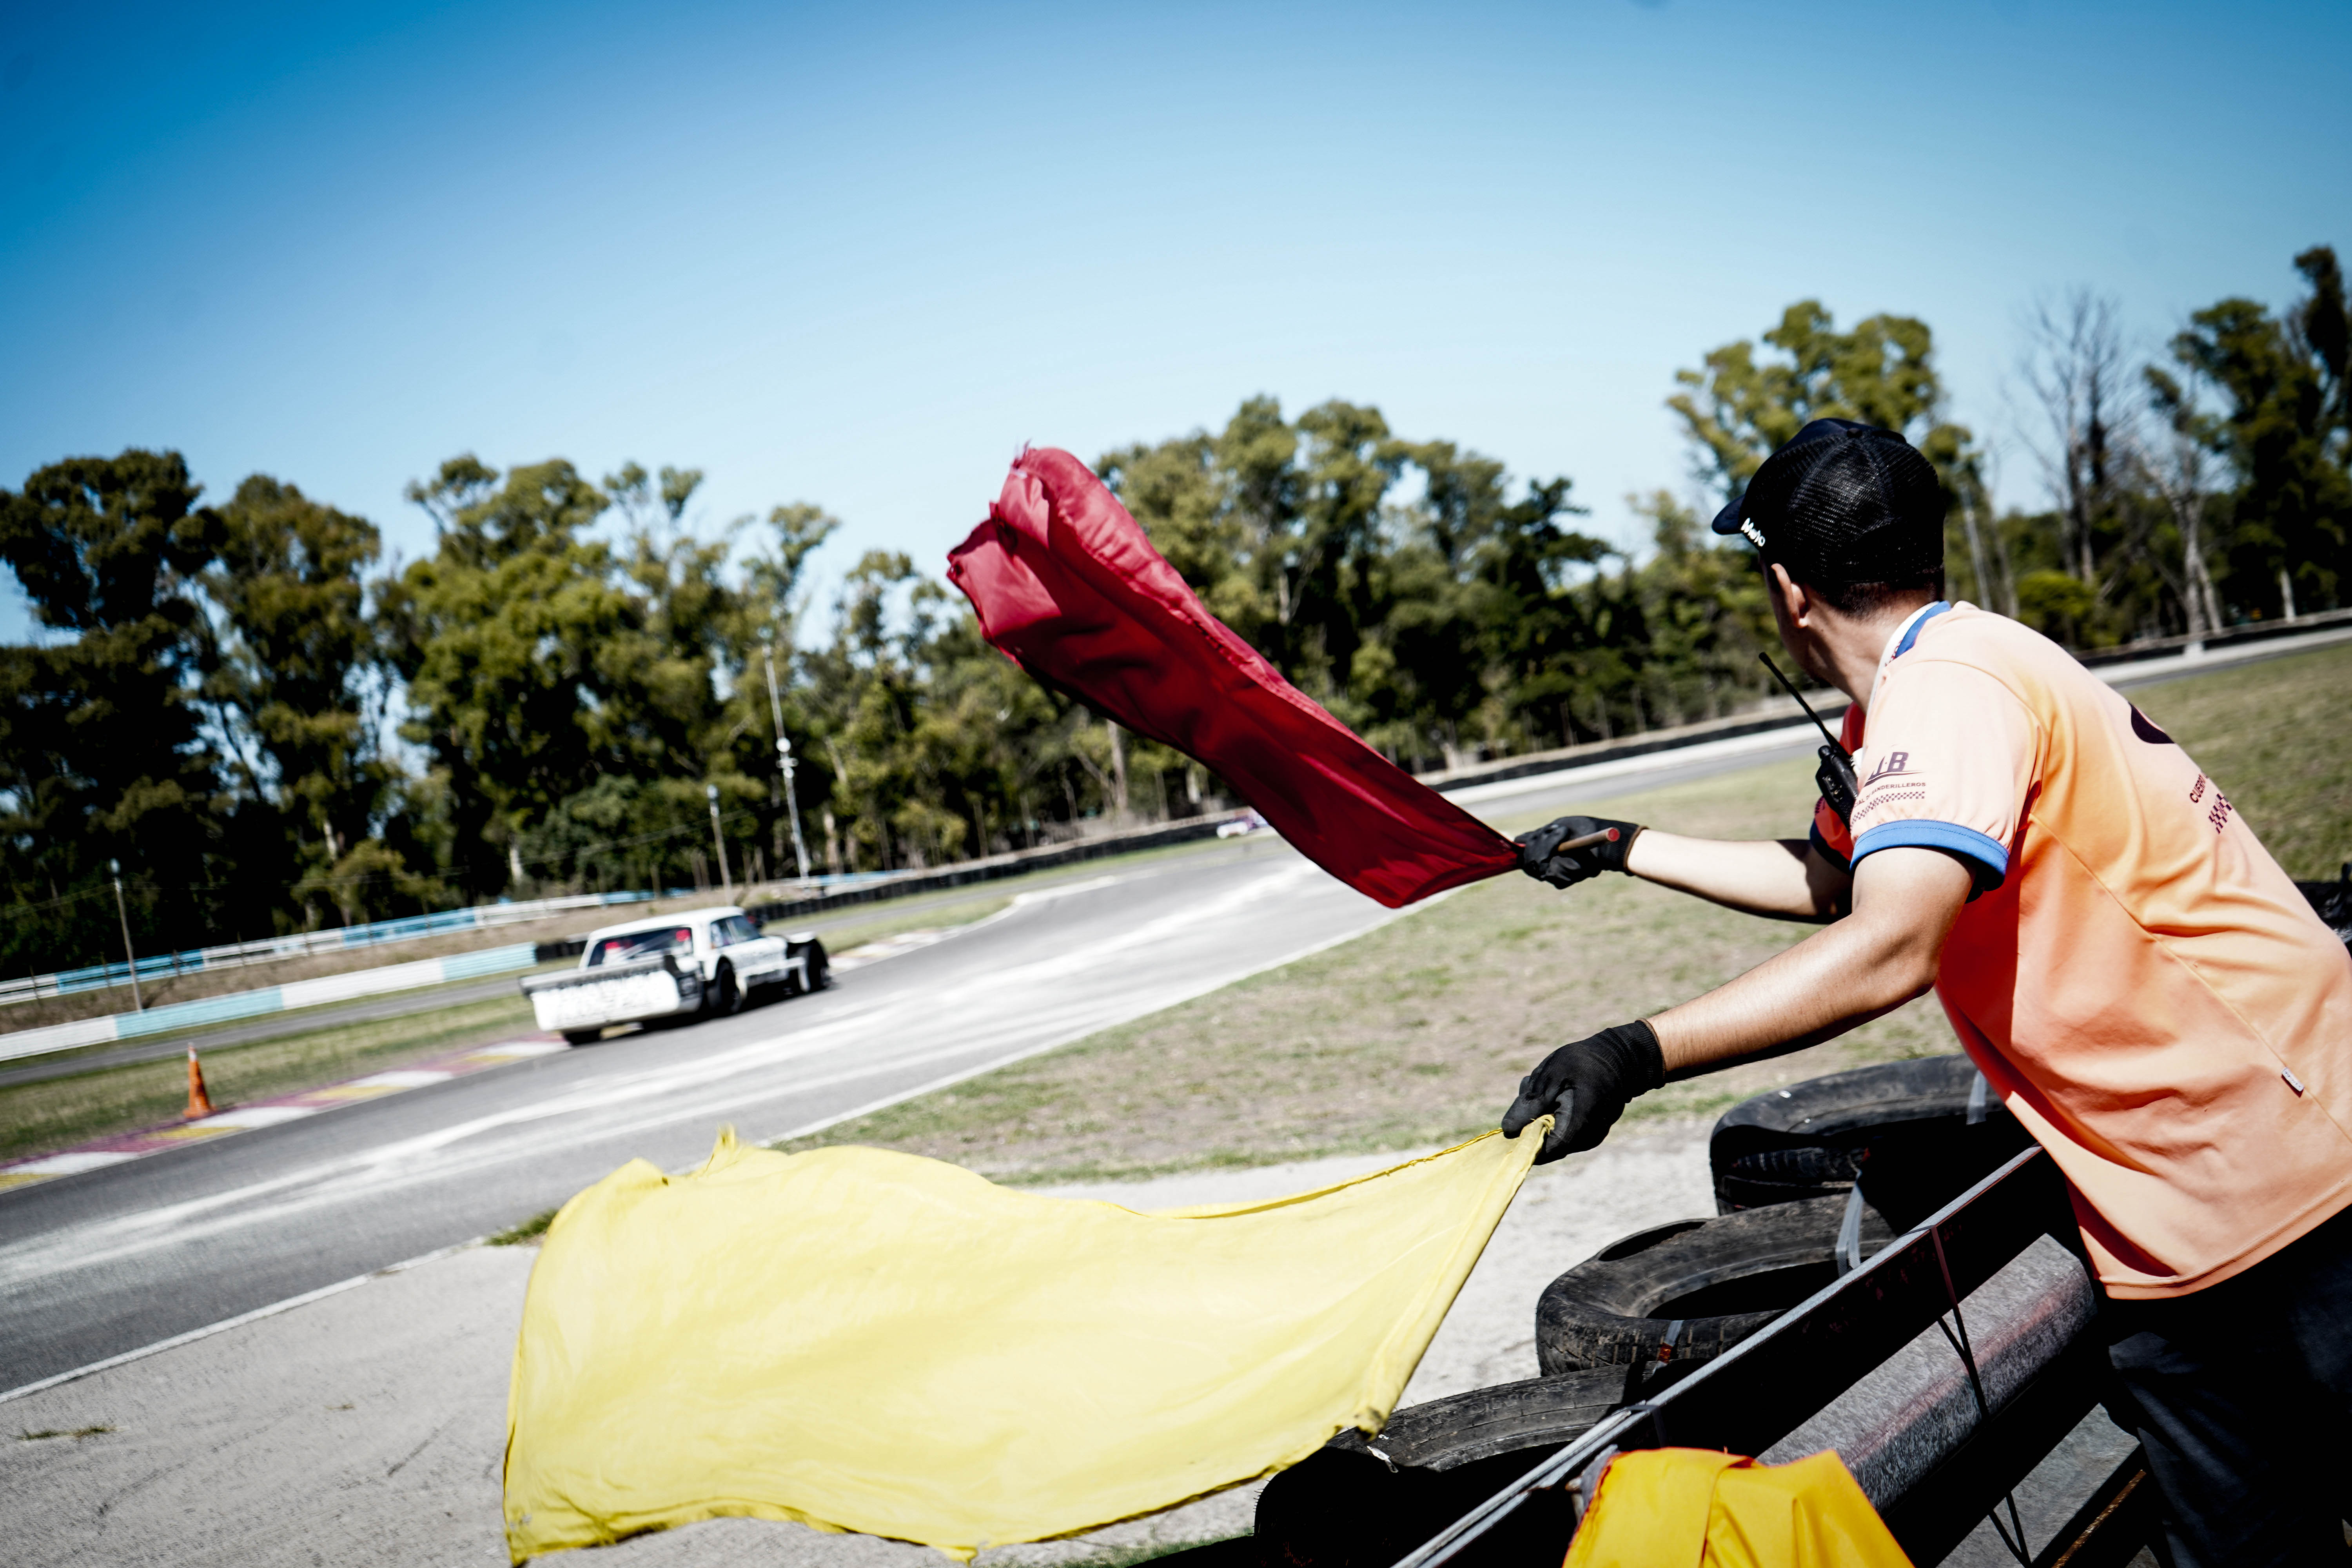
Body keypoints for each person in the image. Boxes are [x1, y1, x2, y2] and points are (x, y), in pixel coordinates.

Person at [1499, 417, 2352, 1567]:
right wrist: (1625, 844)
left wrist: (1633, 1052)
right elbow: (1837, 881)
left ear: (1788, 590)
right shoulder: (1947, 672)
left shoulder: (1944, 693)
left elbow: (1890, 945)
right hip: (2197, 1203)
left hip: (2284, 1190)